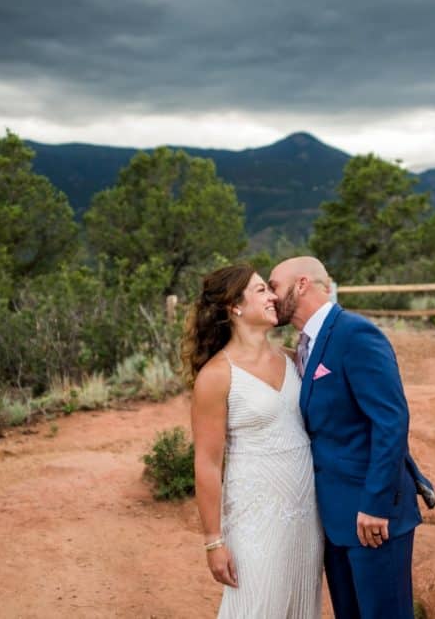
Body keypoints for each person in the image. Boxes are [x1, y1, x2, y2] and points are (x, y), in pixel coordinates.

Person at [268, 256, 434, 619]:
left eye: (274, 285)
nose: (269, 295)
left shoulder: (355, 334)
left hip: (372, 518)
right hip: (334, 519)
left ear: (302, 285)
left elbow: (390, 421)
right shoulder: (306, 345)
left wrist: (375, 504)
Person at [185, 264, 323, 618]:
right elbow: (208, 462)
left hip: (307, 517)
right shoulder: (217, 376)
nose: (273, 296)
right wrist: (213, 541)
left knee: (301, 608)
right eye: (261, 290)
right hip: (254, 518)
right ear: (234, 305)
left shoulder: (294, 360)